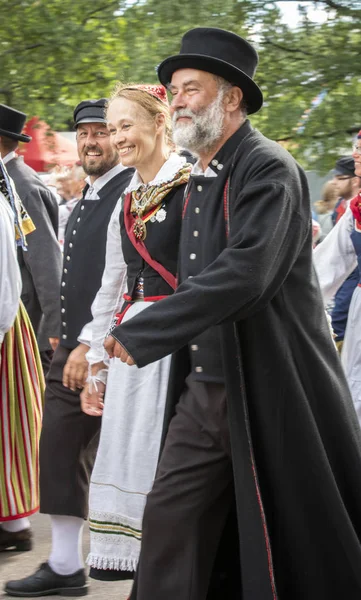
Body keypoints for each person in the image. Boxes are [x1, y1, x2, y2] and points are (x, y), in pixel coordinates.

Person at [102, 28, 361, 600]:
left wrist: (146, 329)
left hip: (268, 385)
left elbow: (247, 273)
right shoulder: (200, 174)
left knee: (298, 529)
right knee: (171, 515)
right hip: (207, 387)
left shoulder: (270, 168)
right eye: (173, 90)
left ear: (232, 98)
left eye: (191, 88)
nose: (177, 101)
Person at [4, 98, 134, 598]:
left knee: (129, 456)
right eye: (84, 134)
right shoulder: (92, 194)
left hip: (114, 348)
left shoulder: (130, 192)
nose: (92, 142)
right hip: (75, 346)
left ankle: (145, 564)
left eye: (103, 132)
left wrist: (90, 342)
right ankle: (63, 564)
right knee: (58, 446)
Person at [79, 83, 191, 580]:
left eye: (127, 126)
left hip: (178, 341)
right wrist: (96, 363)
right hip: (128, 348)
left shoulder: (192, 185)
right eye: (113, 128)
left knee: (167, 460)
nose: (117, 138)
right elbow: (113, 283)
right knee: (130, 452)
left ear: (159, 122)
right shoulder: (126, 196)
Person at [0, 157, 44, 551]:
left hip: (4, 324)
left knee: (9, 428)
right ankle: (14, 525)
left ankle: (16, 525)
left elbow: (6, 279)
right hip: (7, 320)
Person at [0, 104, 62, 375]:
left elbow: (46, 261)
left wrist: (54, 329)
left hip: (26, 325)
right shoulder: (11, 180)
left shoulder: (22, 186)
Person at [314, 132, 361, 416]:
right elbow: (323, 268)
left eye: (360, 149)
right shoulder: (356, 211)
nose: (356, 154)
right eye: (356, 148)